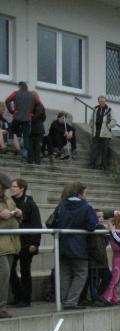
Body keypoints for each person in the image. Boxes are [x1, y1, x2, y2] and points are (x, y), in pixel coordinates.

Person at [54, 182, 99, 309]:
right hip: (79, 246)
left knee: (64, 273)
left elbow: (52, 222)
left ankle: (64, 300)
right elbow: (92, 225)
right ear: (80, 193)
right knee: (81, 273)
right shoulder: (86, 206)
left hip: (62, 244)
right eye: (85, 193)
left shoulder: (61, 205)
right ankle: (71, 301)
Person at [8, 178, 41, 307]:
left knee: (25, 270)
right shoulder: (9, 201)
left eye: (14, 186)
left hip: (27, 242)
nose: (12, 188)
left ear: (22, 188)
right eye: (11, 186)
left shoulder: (30, 203)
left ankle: (26, 299)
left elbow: (36, 224)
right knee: (10, 269)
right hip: (13, 241)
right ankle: (18, 295)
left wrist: (35, 243)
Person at [0, 172, 21, 318]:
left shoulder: (9, 200)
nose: (4, 191)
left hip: (11, 243)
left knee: (6, 276)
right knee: (4, 274)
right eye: (3, 187)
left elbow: (16, 221)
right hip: (1, 245)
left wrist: (18, 214)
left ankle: (2, 307)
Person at [4, 82, 41, 159]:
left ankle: (9, 145)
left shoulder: (16, 93)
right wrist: (34, 114)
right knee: (26, 136)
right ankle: (25, 153)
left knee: (12, 132)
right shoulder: (32, 95)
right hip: (27, 119)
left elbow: (7, 100)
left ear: (20, 86)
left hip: (17, 117)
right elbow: (39, 104)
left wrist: (11, 111)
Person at [102, 212, 120, 305]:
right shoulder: (114, 231)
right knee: (114, 278)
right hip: (119, 258)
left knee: (119, 280)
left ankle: (114, 296)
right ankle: (107, 296)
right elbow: (118, 246)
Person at [88, 96, 115, 170]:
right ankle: (92, 164)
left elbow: (114, 121)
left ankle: (104, 166)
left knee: (105, 150)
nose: (102, 102)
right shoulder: (95, 109)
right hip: (96, 132)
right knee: (94, 149)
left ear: (105, 102)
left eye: (103, 101)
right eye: (100, 101)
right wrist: (92, 126)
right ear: (98, 102)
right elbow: (91, 120)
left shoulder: (109, 110)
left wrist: (108, 126)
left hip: (105, 134)